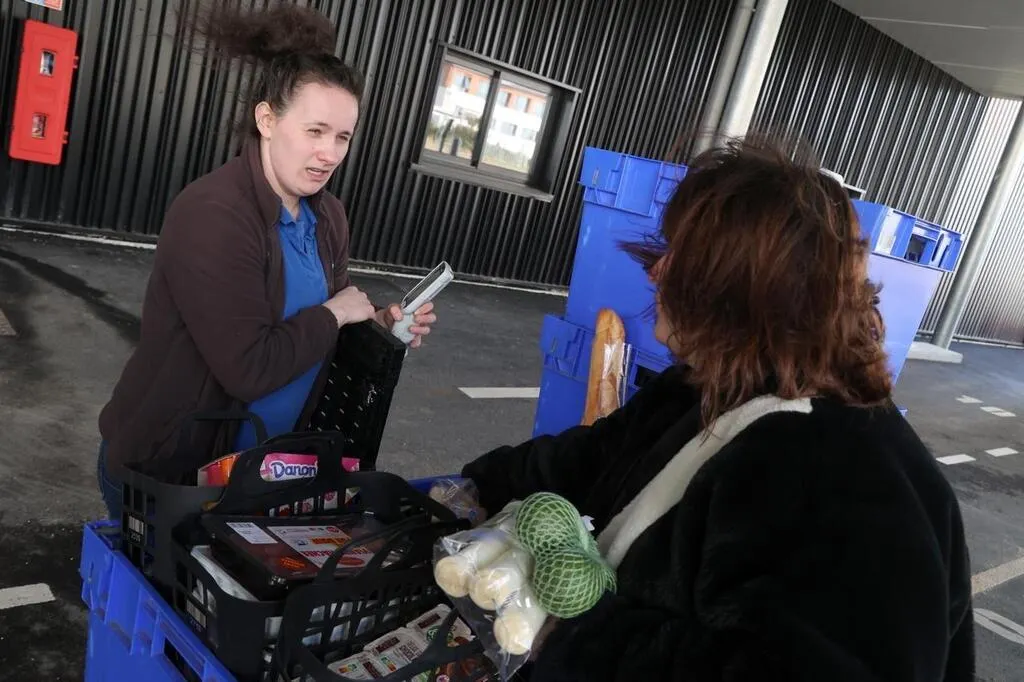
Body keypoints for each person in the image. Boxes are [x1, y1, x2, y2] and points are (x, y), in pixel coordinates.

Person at [462, 138, 974, 680]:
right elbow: (590, 458)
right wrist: (468, 491)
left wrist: (578, 636)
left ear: (742, 288)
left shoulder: (842, 474)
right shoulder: (711, 383)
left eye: (681, 255)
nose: (655, 271)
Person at [96, 5, 436, 516]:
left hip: (259, 470)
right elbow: (250, 370)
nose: (330, 153)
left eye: (343, 137)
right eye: (315, 131)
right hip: (170, 475)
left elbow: (324, 335)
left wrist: (381, 328)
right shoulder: (214, 214)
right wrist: (336, 312)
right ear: (267, 120)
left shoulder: (329, 217)